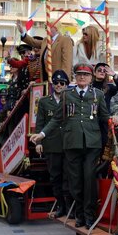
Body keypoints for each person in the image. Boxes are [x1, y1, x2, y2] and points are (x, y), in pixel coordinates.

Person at [30, 63, 109, 229]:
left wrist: (115, 122)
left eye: (85, 75)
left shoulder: (98, 95)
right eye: (79, 74)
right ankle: (79, 214)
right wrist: (42, 135)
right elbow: (56, 119)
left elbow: (105, 118)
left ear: (91, 78)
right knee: (74, 181)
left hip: (92, 143)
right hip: (72, 143)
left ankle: (89, 215)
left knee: (88, 179)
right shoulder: (67, 95)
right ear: (75, 77)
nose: (82, 77)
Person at [35, 70, 71, 218]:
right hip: (51, 144)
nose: (58, 85)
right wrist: (39, 141)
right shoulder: (44, 101)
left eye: (62, 83)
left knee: (68, 177)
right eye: (56, 83)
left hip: (68, 143)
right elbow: (40, 122)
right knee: (55, 177)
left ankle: (70, 207)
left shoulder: (71, 99)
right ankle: (60, 206)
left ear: (66, 85)